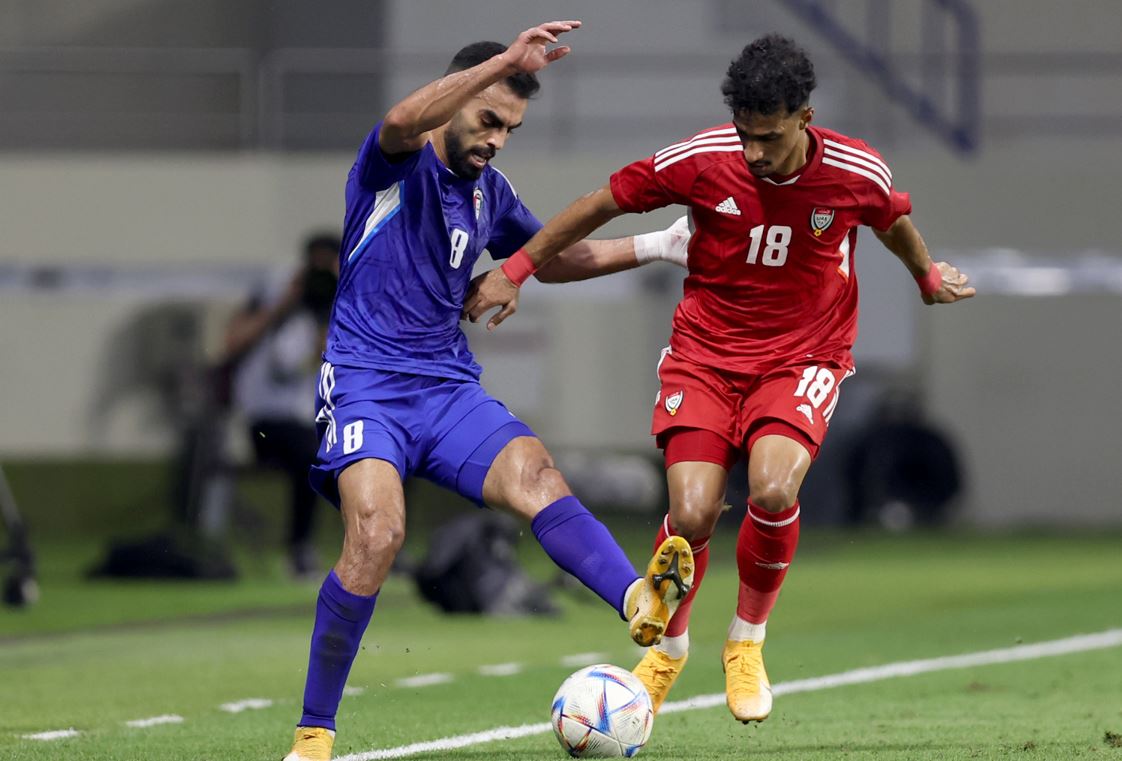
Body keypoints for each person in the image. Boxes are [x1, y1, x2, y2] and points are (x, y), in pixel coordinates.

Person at [465, 34, 975, 725]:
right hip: (705, 358)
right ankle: (669, 649)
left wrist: (927, 276)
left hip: (802, 357)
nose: (754, 152)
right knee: (693, 513)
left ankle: (746, 640)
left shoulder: (855, 169)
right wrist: (516, 270)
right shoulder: (703, 159)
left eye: (769, 137)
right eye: (745, 135)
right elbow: (599, 203)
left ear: (805, 117)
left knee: (772, 486)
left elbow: (892, 219)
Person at [284, 20, 697, 761]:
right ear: (457, 100)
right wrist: (505, 58)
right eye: (488, 120)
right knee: (377, 535)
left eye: (510, 129)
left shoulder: (489, 192)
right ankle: (314, 733)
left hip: (446, 389)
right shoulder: (395, 162)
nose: (497, 139)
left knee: (538, 476)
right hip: (367, 384)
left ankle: (638, 601)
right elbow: (400, 118)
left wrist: (658, 245)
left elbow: (554, 257)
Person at [224, 233, 341, 577]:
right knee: (310, 454)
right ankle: (299, 548)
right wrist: (284, 304)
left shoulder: (339, 307)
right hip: (267, 421)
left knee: (391, 446)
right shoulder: (275, 297)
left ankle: (382, 547)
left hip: (315, 419)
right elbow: (231, 342)